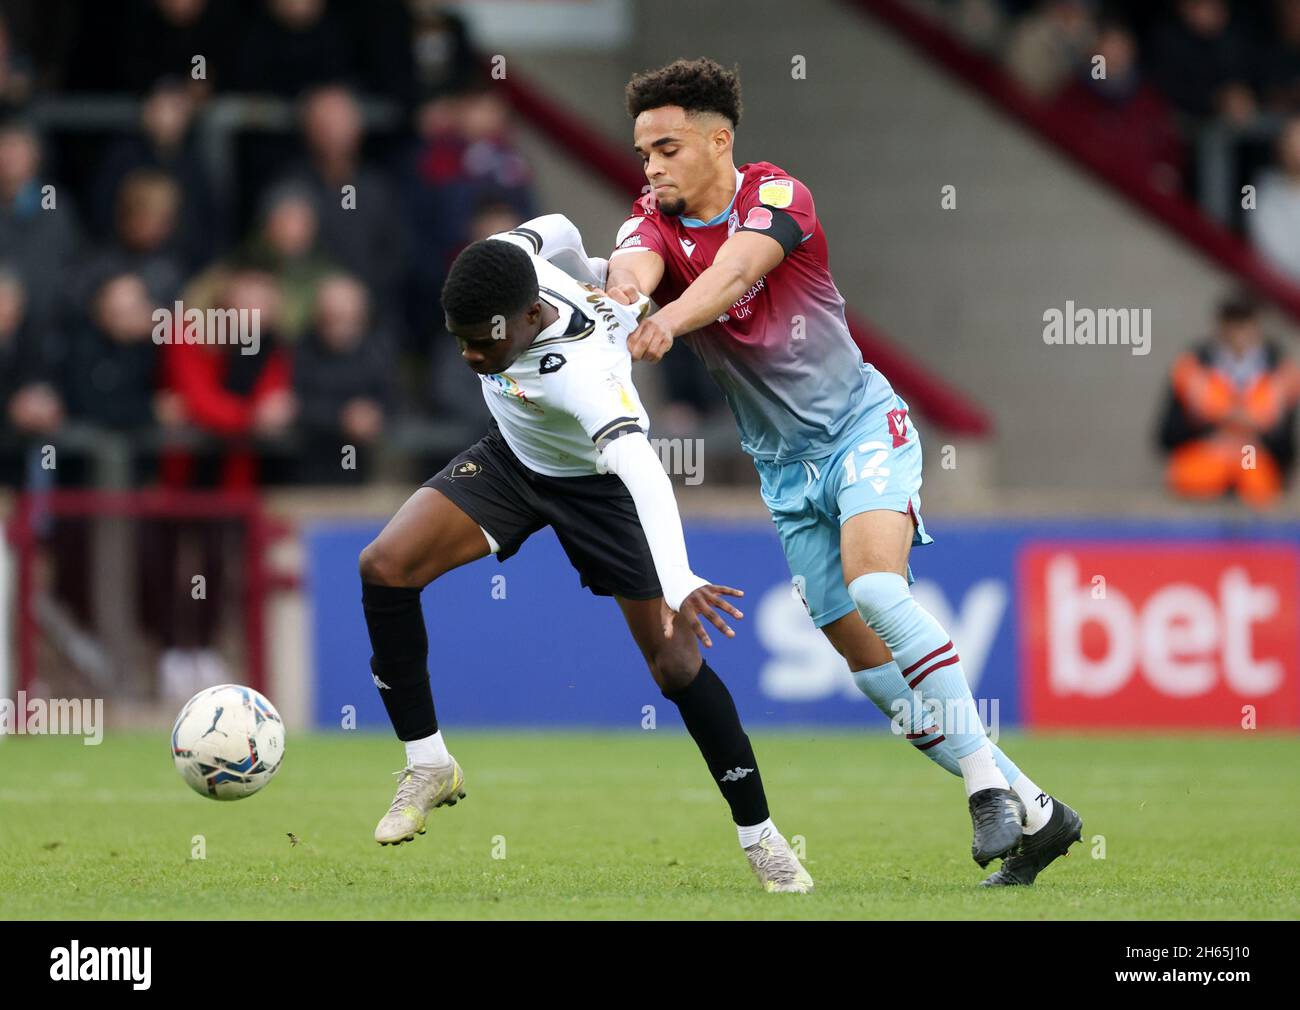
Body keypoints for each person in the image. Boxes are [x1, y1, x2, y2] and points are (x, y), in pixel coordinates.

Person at [603, 58, 1080, 886]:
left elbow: (737, 273)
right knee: (878, 683)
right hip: (784, 473)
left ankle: (982, 791)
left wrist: (667, 321)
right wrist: (618, 303)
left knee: (877, 589)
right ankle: (1039, 813)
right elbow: (631, 273)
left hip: (862, 428)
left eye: (667, 149)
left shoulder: (780, 198)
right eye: (643, 153)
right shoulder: (650, 222)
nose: (652, 168)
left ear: (720, 141)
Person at [357, 213, 812, 893]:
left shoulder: (586, 374)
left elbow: (643, 470)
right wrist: (599, 271)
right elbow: (560, 226)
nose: (471, 358)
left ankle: (763, 840)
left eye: (484, 343)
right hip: (513, 460)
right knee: (384, 567)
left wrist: (680, 575)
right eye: (460, 342)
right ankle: (428, 765)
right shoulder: (511, 266)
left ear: (531, 314)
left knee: (675, 664)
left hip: (601, 491)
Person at [1159, 291, 1298, 507]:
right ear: (1220, 325)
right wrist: (1212, 425)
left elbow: (1286, 446)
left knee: (1250, 465)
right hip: (1199, 484)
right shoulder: (1192, 368)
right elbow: (1167, 435)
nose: (1238, 332)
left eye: (1244, 322)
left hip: (1257, 482)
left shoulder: (1280, 372)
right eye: (1232, 322)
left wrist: (1255, 430)